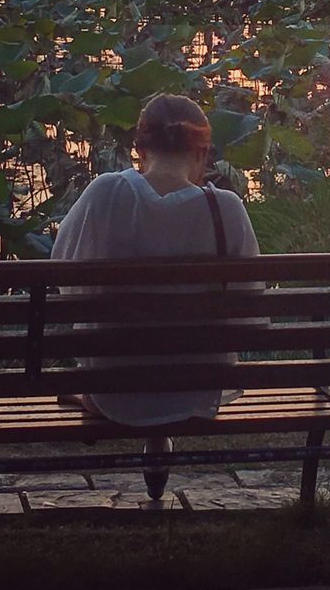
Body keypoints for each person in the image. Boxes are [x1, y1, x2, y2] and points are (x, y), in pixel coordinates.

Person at [51, 92, 260, 496]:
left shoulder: (104, 193)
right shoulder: (228, 210)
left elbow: (66, 281)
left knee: (96, 377)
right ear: (201, 153)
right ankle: (159, 432)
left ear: (140, 149)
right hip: (199, 389)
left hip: (117, 392)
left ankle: (99, 403)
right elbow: (252, 317)